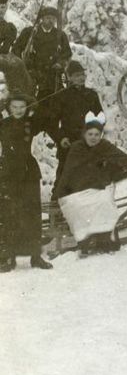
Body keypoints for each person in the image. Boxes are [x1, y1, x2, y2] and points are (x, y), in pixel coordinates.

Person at [53, 112, 127, 255]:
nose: (93, 138)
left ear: (101, 135)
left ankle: (105, 240)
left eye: (97, 135)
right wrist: (59, 193)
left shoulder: (105, 146)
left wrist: (109, 172)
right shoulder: (77, 148)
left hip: (99, 186)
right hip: (77, 189)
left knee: (103, 201)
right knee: (78, 205)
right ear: (84, 134)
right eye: (90, 134)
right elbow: (68, 173)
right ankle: (86, 241)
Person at [0, 90, 52, 272]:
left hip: (29, 171)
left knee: (32, 214)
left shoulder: (31, 123)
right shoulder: (2, 124)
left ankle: (35, 257)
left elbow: (46, 115)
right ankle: (8, 258)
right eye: (14, 107)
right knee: (10, 214)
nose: (18, 110)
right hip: (8, 172)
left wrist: (35, 106)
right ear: (8, 108)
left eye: (22, 107)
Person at [52, 59, 103, 187]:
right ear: (69, 77)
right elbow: (52, 122)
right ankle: (58, 201)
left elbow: (100, 117)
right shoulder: (61, 96)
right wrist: (61, 138)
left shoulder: (91, 95)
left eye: (82, 75)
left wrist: (94, 136)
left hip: (88, 140)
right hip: (68, 142)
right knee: (64, 176)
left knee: (89, 175)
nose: (81, 78)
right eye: (77, 75)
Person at [13, 6, 72, 101]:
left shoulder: (60, 35)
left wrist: (60, 63)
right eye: (48, 18)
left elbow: (67, 53)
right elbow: (16, 49)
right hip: (32, 74)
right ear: (42, 19)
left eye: (53, 19)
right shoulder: (30, 32)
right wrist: (21, 66)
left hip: (52, 76)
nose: (51, 21)